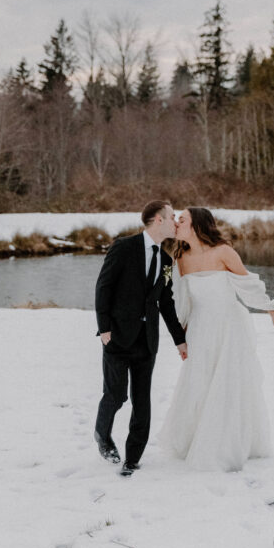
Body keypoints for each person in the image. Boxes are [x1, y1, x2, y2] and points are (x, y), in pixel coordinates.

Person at [160, 206, 274, 471]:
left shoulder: (224, 252)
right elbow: (180, 297)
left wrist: (271, 309)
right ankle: (199, 438)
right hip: (200, 328)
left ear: (197, 225)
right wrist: (181, 332)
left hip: (230, 326)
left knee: (228, 381)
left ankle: (227, 444)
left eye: (182, 220)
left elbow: (248, 285)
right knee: (200, 381)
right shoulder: (179, 257)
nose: (177, 224)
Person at [94, 200, 187, 476]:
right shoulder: (123, 247)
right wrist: (104, 328)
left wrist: (179, 339)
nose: (176, 222)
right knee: (116, 394)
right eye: (172, 217)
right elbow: (103, 287)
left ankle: (132, 458)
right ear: (159, 220)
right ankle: (102, 435)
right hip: (117, 337)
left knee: (141, 400)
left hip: (147, 341)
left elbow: (166, 303)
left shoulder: (167, 260)